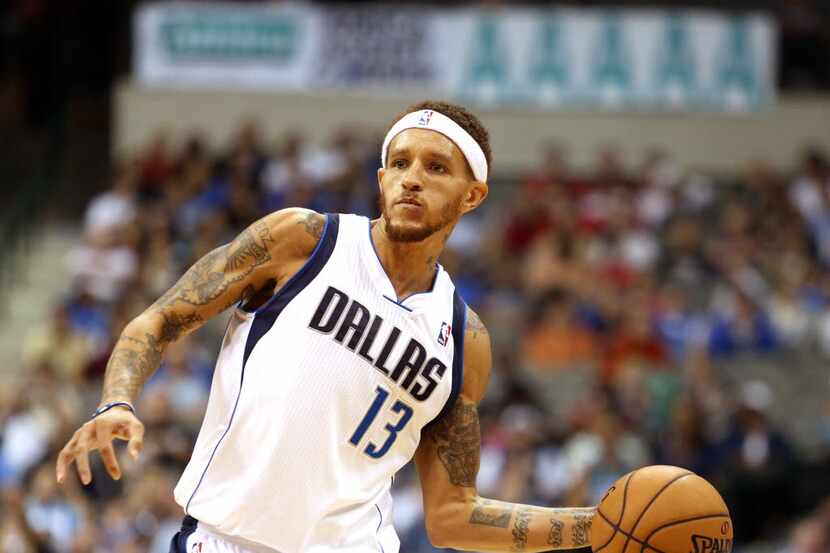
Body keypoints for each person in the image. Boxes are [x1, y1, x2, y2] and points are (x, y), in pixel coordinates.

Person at [56, 100, 596, 553]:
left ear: (472, 194)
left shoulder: (466, 339)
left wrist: (597, 529)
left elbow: (452, 514)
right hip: (225, 540)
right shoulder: (304, 241)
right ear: (381, 179)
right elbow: (160, 320)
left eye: (436, 168)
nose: (412, 179)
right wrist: (116, 399)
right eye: (401, 163)